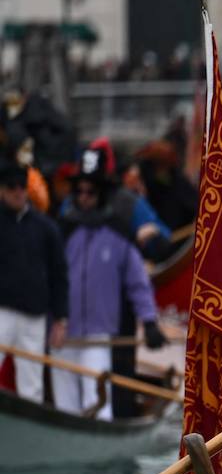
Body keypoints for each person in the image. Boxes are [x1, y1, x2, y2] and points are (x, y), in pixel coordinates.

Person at [56, 169, 166, 420]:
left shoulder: (118, 234)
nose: (84, 197)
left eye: (90, 192)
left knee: (97, 404)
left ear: (101, 194)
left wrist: (149, 322)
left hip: (98, 336)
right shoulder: (62, 231)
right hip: (62, 333)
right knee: (63, 409)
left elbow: (137, 282)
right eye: (79, 192)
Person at [0, 158, 67, 403]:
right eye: (11, 186)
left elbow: (59, 274)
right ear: (2, 189)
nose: (18, 192)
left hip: (34, 316)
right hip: (2, 312)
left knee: (31, 387)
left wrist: (60, 318)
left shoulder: (46, 228)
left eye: (21, 186)